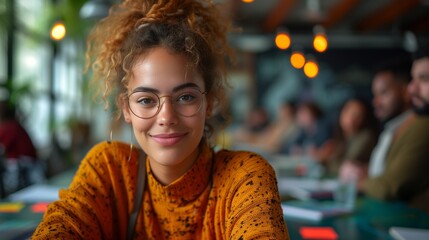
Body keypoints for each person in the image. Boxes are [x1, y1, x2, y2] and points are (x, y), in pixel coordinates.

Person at [32, 0, 289, 239]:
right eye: (146, 100)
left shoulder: (244, 177)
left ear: (208, 102)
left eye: (185, 97)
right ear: (126, 108)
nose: (166, 117)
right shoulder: (109, 170)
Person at [344, 48, 429, 213]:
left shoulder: (423, 125)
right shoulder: (394, 128)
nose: (412, 89)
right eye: (413, 79)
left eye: (424, 79)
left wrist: (359, 181)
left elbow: (390, 187)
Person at [340, 59, 412, 184]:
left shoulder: (412, 129)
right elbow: (383, 172)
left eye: (383, 93)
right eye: (375, 95)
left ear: (406, 92)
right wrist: (366, 170)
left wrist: (363, 180)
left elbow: (393, 185)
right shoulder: (391, 129)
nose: (375, 102)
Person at [326, 97, 379, 177]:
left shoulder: (366, 137)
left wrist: (326, 158)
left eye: (357, 115)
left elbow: (343, 167)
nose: (351, 118)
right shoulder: (341, 135)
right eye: (347, 111)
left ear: (364, 119)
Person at [0, 99, 39, 194]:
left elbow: (2, 150)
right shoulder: (14, 125)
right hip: (26, 166)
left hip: (23, 167)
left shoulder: (10, 127)